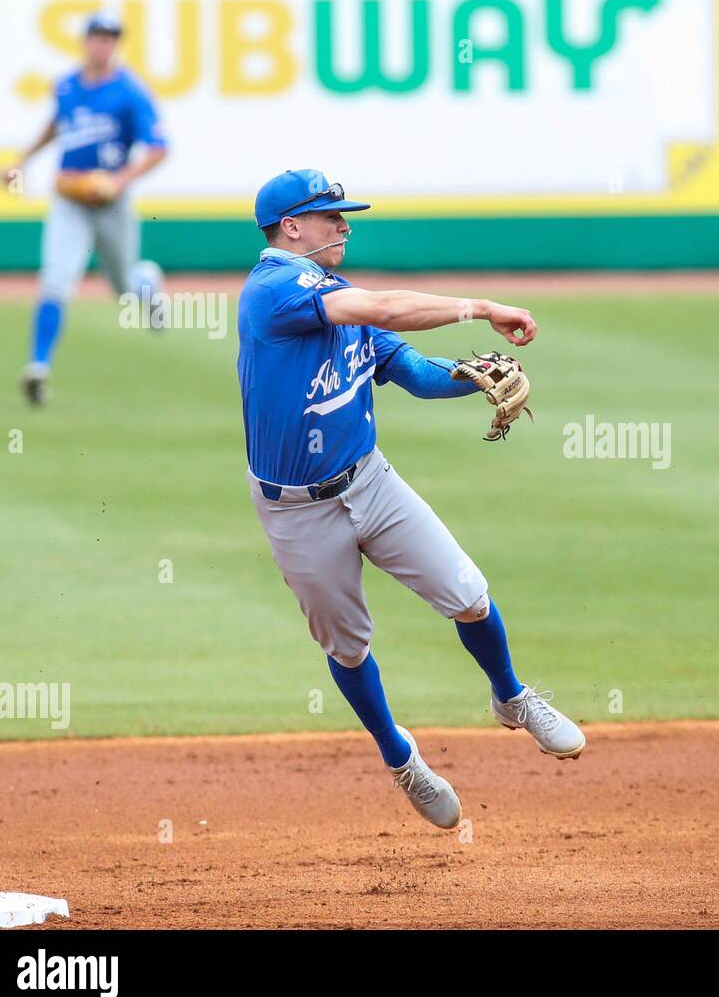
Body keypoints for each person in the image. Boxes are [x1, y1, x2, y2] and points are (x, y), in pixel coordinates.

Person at [237, 169, 585, 831]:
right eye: (330, 215)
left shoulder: (340, 299)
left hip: (369, 478)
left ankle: (510, 697)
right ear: (291, 227)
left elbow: (417, 375)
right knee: (347, 648)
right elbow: (388, 310)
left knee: (468, 593)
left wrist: (473, 376)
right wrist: (483, 307)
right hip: (295, 509)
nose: (344, 224)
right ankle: (401, 758)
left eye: (345, 215)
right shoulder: (276, 291)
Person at [1, 11, 168, 405]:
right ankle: (38, 367)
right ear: (86, 40)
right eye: (97, 36)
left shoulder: (129, 91)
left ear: (115, 44)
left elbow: (159, 148)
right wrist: (22, 160)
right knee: (55, 279)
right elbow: (57, 125)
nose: (103, 43)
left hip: (111, 201)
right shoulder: (66, 86)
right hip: (69, 198)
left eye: (110, 37)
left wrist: (119, 180)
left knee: (123, 287)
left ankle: (148, 285)